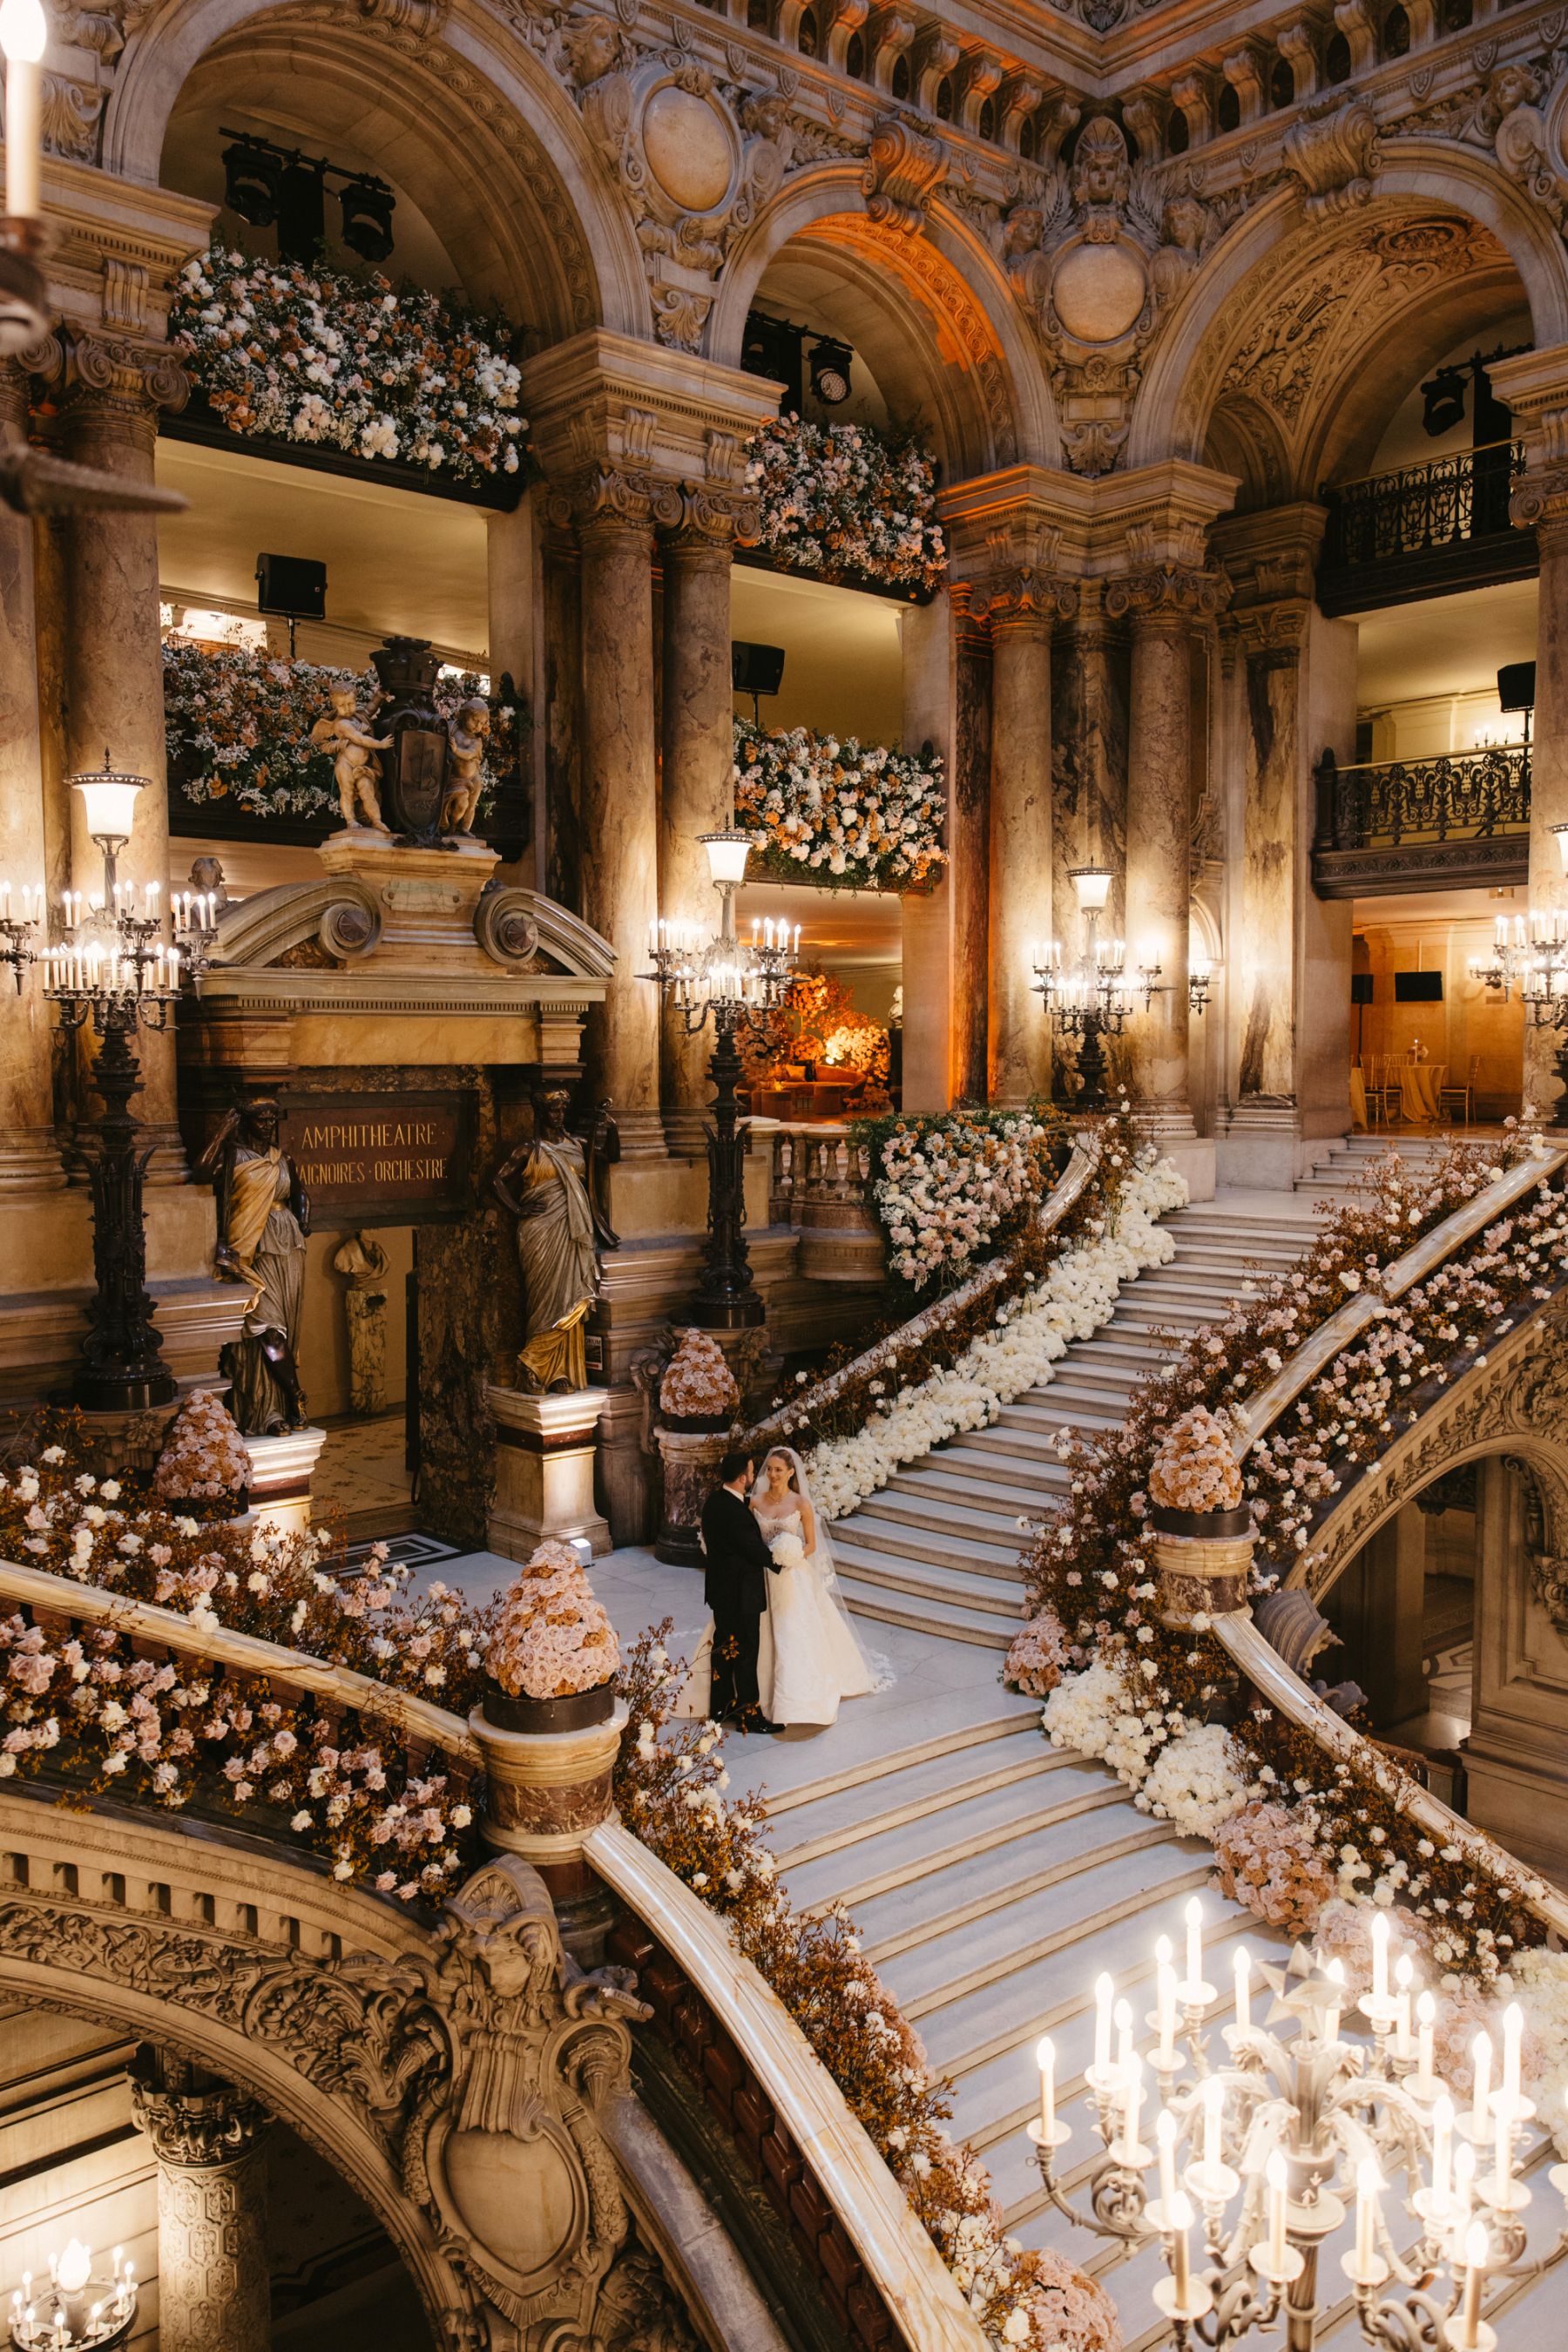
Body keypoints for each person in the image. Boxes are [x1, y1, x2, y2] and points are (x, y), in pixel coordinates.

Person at [493, 1090, 618, 1392]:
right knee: (544, 1299)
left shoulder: (578, 1144)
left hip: (573, 1232)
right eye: (553, 1110)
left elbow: (611, 1157)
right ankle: (530, 1366)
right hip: (540, 1231)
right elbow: (496, 1180)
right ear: (541, 1114)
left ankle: (559, 1372)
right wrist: (519, 1209)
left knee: (571, 1295)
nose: (558, 1116)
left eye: (562, 1110)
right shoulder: (529, 1149)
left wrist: (611, 1128)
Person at [199, 1095, 310, 1432]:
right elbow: (202, 1172)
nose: (267, 1127)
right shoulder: (234, 1155)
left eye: (271, 1121)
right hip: (250, 1249)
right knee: (267, 1331)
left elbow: (299, 1193)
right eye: (260, 1120)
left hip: (287, 1248)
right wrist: (222, 1132)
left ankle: (272, 1415)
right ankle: (294, 1397)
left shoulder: (282, 1159)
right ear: (245, 1121)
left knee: (285, 1331)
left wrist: (304, 1217)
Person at [752, 1447, 882, 1727]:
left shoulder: (801, 1504)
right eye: (769, 1469)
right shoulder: (755, 1502)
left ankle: (794, 1703)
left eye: (778, 1470)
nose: (772, 1475)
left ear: (790, 1473)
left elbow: (810, 1544)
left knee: (792, 1633)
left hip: (792, 1575)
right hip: (761, 1575)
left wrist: (791, 1554)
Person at [699, 1450, 782, 1734]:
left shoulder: (714, 1502)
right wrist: (781, 1560)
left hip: (721, 1592)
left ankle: (720, 1709)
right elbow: (753, 1548)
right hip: (741, 1595)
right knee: (746, 1653)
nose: (752, 1477)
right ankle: (750, 1713)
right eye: (751, 1472)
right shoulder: (735, 1512)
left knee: (724, 1650)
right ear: (742, 1477)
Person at [311, 683, 391, 833]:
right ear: (335, 705)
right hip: (345, 765)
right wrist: (380, 744)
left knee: (367, 791)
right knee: (347, 791)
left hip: (363, 766)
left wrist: (379, 696)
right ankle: (350, 819)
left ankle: (376, 820)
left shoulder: (359, 716)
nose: (347, 709)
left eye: (351, 703)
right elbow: (360, 739)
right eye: (342, 705)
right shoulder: (341, 724)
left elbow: (369, 709)